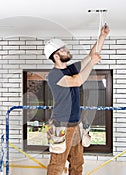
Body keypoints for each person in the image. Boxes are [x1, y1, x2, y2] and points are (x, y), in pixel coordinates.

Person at [44, 25, 110, 175]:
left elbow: (90, 55)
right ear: (56, 56)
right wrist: (92, 63)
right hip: (61, 126)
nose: (67, 51)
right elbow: (77, 81)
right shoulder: (54, 75)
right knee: (57, 164)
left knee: (77, 162)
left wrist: (102, 37)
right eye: (64, 50)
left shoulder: (70, 68)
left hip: (75, 125)